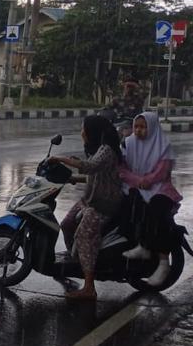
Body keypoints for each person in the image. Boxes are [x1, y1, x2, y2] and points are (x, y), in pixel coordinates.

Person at [50, 115, 125, 302]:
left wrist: (61, 159)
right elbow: (95, 175)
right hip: (90, 199)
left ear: (94, 131)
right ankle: (76, 260)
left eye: (84, 128)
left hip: (104, 203)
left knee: (84, 236)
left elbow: (90, 167)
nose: (82, 132)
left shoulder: (106, 150)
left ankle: (89, 287)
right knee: (67, 224)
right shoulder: (96, 149)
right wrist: (73, 178)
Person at [120, 111, 182, 287]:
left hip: (160, 189)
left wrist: (147, 180)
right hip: (136, 186)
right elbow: (121, 169)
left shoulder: (163, 146)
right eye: (136, 126)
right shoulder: (128, 143)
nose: (138, 130)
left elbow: (162, 171)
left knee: (156, 211)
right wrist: (137, 180)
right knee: (126, 206)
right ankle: (141, 245)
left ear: (152, 127)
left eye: (143, 127)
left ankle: (163, 262)